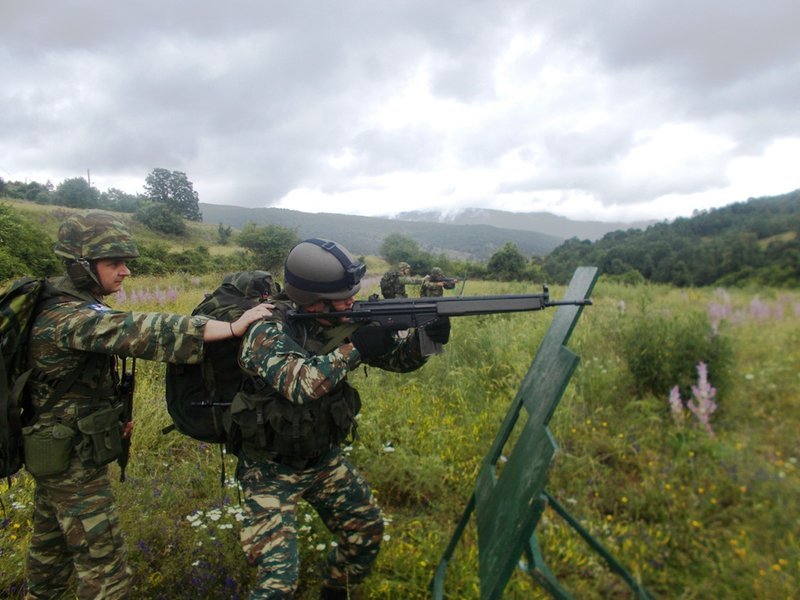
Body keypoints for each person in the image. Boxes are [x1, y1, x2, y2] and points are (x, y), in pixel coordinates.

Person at [23, 210, 272, 600]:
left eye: (125, 262)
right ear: (81, 265)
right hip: (70, 460)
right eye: (113, 263)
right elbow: (139, 330)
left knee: (49, 551)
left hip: (57, 450)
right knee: (106, 573)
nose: (125, 272)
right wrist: (232, 326)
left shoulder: (64, 301)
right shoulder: (69, 317)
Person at [232, 238, 451, 599]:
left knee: (367, 531)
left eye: (351, 295)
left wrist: (425, 339)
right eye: (342, 298)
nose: (351, 302)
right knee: (278, 584)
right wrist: (357, 348)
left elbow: (398, 362)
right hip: (268, 469)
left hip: (322, 459)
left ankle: (335, 590)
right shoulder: (266, 327)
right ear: (312, 300)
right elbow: (299, 384)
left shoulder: (342, 321)